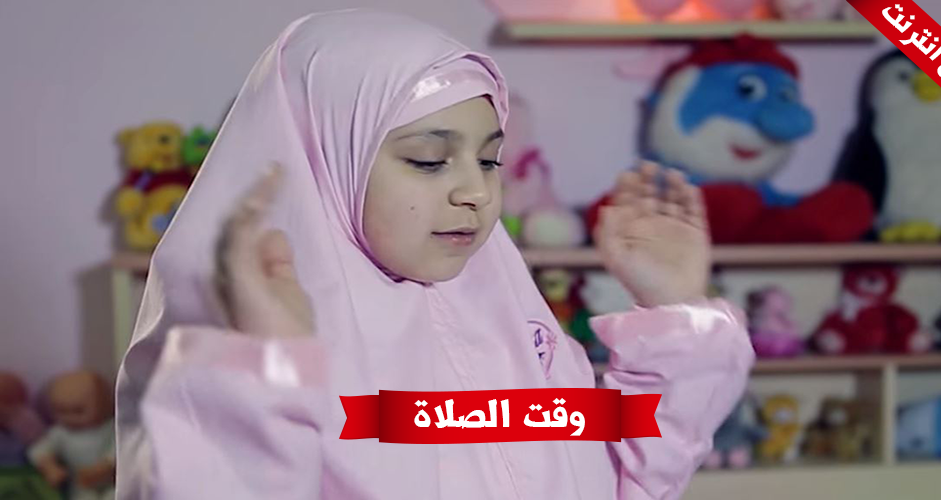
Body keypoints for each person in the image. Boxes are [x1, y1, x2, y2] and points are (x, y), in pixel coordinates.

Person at [115, 9, 754, 499]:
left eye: (490, 160)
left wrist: (676, 313)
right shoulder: (248, 338)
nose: (476, 191)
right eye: (428, 159)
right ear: (323, 160)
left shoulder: (507, 320)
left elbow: (623, 481)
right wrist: (262, 372)